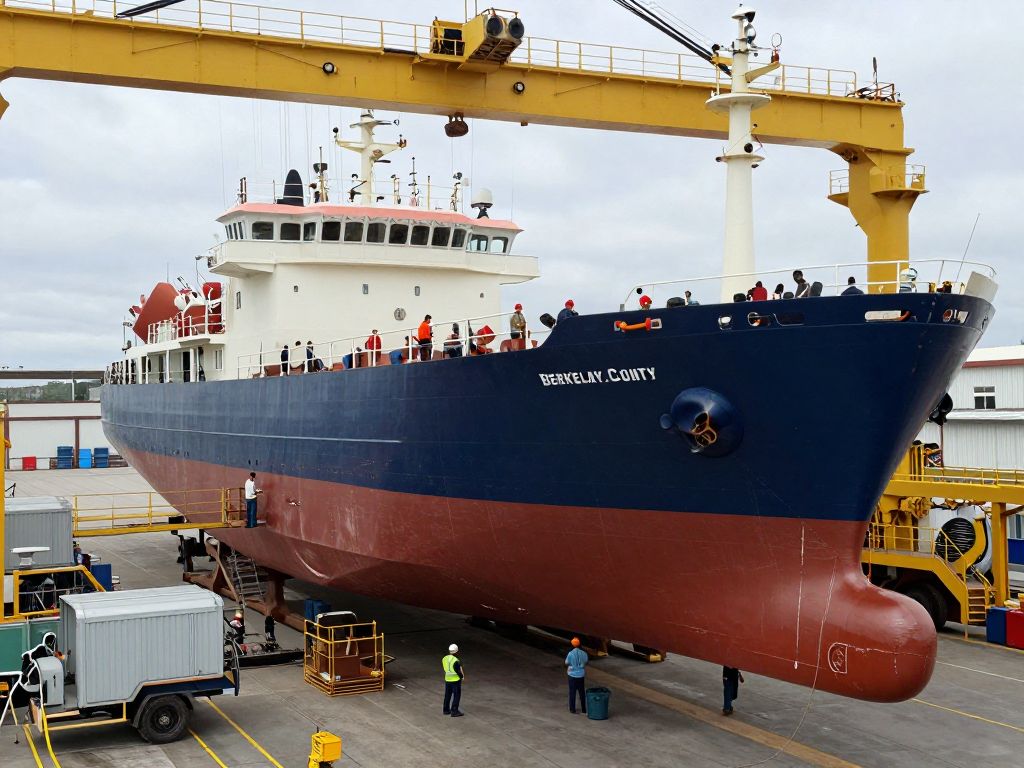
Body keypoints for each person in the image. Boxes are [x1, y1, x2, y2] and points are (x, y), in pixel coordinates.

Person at [565, 637, 589, 714]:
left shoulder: (570, 653)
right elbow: (586, 661)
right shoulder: (584, 653)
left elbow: (566, 663)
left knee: (572, 692)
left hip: (572, 675)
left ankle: (572, 709)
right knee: (581, 692)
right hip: (581, 675)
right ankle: (584, 709)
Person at [442, 643, 465, 717]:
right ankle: (454, 711)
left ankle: (446, 710)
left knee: (447, 695)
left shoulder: (444, 658)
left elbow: (445, 668)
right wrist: (462, 677)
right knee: (456, 695)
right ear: (456, 651)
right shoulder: (456, 660)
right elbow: (458, 671)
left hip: (447, 679)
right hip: (455, 680)